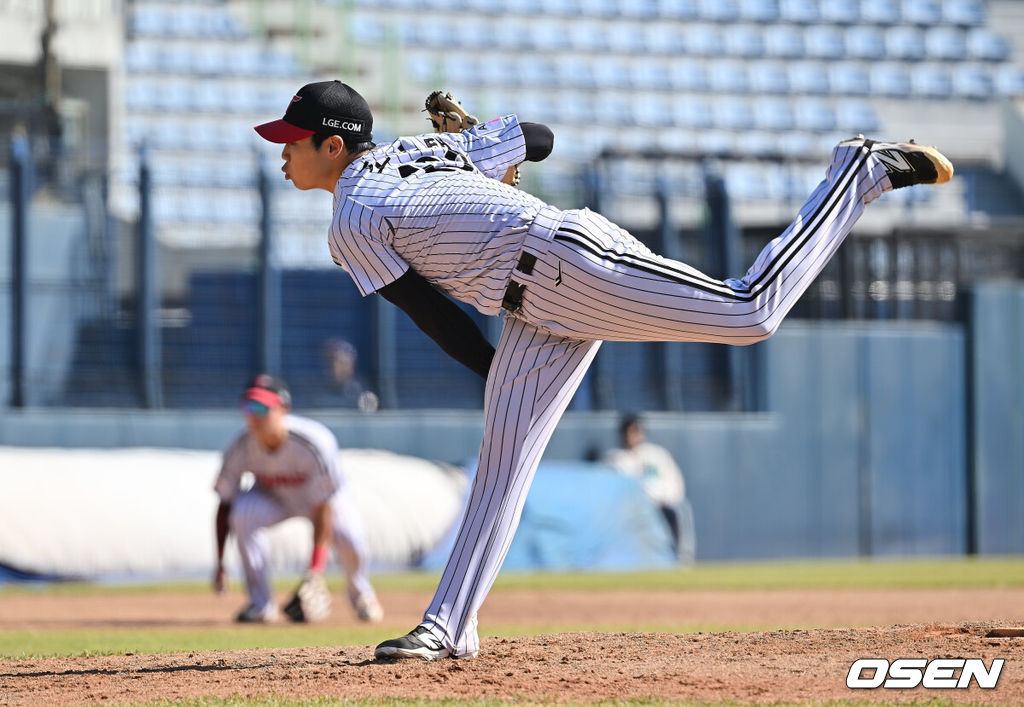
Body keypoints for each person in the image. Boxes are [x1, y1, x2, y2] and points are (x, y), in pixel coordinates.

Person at [253, 80, 953, 659]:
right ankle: (449, 625)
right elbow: (540, 137)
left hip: (563, 261)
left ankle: (860, 169)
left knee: (749, 312)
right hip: (535, 299)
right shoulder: (425, 147)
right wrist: (473, 148)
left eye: (292, 141)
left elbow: (430, 313)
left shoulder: (350, 214)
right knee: (501, 463)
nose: (282, 155)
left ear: (334, 144)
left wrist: (493, 369)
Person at [212, 373, 383, 623]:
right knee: (243, 512)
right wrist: (220, 562)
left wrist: (315, 571)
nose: (254, 415)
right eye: (248, 406)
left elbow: (324, 507)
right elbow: (226, 502)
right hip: (274, 498)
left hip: (323, 500)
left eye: (262, 406)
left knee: (350, 537)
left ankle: (362, 596)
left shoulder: (313, 442)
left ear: (283, 409)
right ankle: (261, 605)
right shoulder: (239, 446)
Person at [604, 414, 690, 562]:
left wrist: (663, 499)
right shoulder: (614, 459)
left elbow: (674, 483)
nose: (632, 436)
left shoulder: (657, 454)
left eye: (636, 431)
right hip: (628, 511)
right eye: (629, 432)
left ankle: (680, 559)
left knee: (680, 510)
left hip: (659, 506)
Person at [311, 337, 379, 412]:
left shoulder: (361, 390)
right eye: (339, 363)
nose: (342, 369)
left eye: (346, 363)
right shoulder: (317, 390)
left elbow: (369, 415)